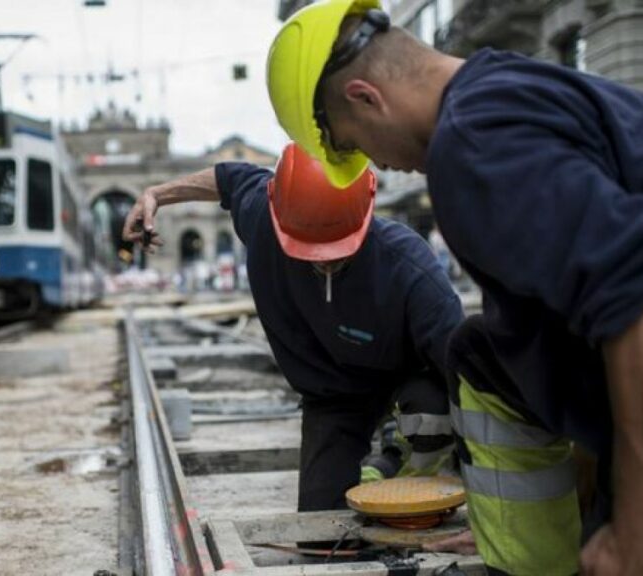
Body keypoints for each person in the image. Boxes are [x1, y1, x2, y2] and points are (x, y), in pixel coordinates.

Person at [266, 1, 643, 574]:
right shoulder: (507, 86)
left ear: (366, 98)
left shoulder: (473, 149)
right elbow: (584, 312)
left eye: (354, 145)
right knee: (484, 350)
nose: (380, 165)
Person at [122, 142, 462, 519]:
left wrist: (483, 495)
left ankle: (405, 464)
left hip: (407, 383)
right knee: (321, 523)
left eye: (340, 254)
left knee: (428, 416)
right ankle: (379, 470)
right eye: (312, 253)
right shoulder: (263, 216)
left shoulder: (411, 269)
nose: (327, 265)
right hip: (333, 394)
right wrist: (156, 194)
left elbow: (475, 378)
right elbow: (227, 179)